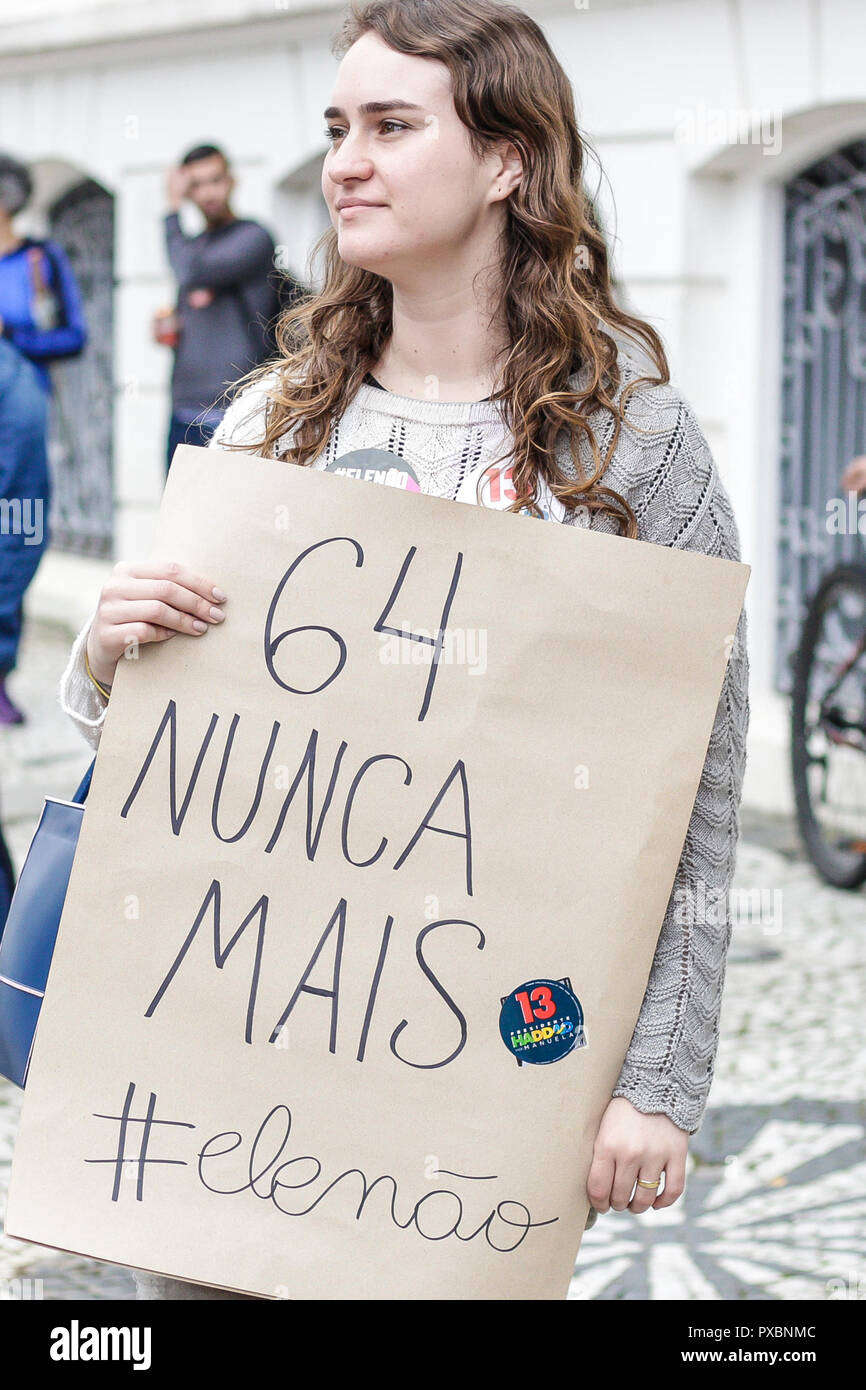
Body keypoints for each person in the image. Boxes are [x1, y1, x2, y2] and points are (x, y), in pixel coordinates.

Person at [57, 0, 749, 1300]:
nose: (343, 163)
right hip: (227, 1075)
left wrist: (654, 1084)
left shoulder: (633, 448)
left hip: (480, 1086)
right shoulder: (271, 422)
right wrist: (108, 652)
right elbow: (169, 757)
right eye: (334, 128)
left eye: (388, 125)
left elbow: (698, 792)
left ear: (502, 161)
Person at [0, 154, 87, 725]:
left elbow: (72, 335)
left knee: (19, 531)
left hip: (21, 416)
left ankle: (0, 670)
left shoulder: (38, 261)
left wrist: (12, 334)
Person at [159, 144, 288, 472]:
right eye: (197, 185)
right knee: (179, 519)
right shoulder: (195, 246)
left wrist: (171, 208)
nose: (208, 192)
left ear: (232, 181)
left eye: (215, 180)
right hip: (183, 411)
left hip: (234, 411)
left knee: (227, 521)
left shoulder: (253, 237)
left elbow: (190, 271)